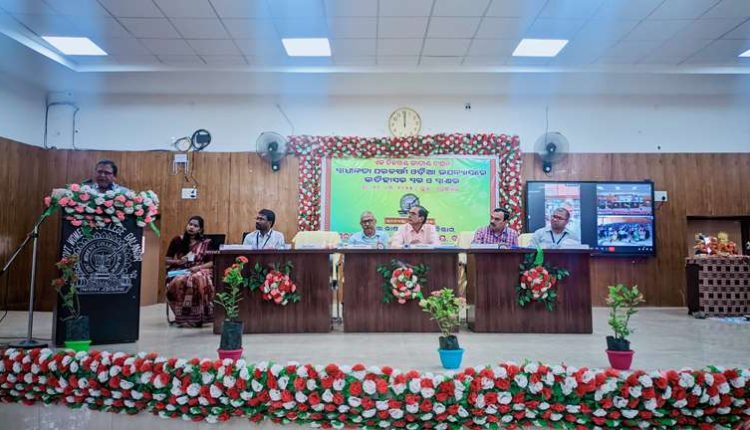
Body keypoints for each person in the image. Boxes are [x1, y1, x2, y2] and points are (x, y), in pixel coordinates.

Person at [165, 216, 214, 327]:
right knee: (180, 281)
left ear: (200, 229)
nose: (191, 227)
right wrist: (178, 261)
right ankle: (183, 316)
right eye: (190, 224)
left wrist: (198, 268)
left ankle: (199, 316)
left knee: (197, 278)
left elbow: (211, 262)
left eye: (195, 226)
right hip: (181, 270)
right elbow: (167, 260)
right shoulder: (177, 240)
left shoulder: (206, 243)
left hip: (200, 269)